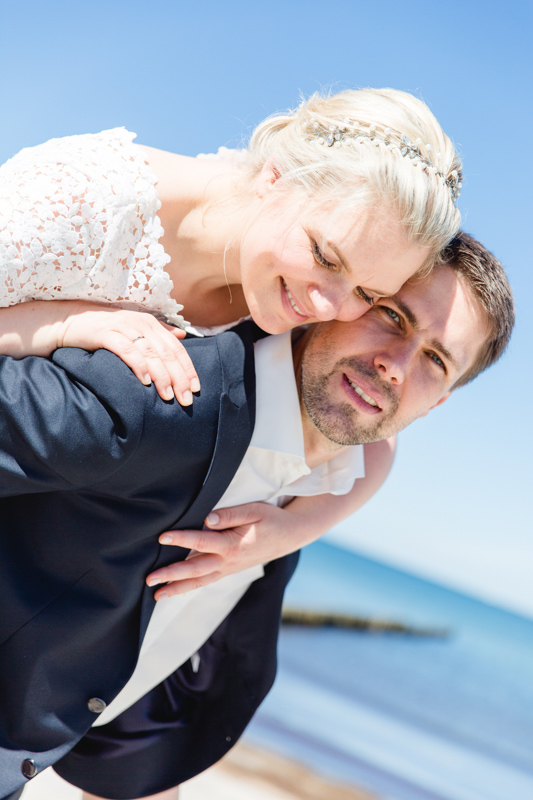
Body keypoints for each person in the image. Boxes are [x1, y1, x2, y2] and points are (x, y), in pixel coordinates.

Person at [0, 233, 514, 800]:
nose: (396, 366)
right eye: (391, 315)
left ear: (439, 400)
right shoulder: (166, 394)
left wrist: (295, 530)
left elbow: (153, 629)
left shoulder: (341, 469)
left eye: (436, 360)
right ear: (345, 295)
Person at [0, 87, 463, 594]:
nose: (328, 308)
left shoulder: (297, 282)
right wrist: (58, 325)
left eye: (367, 293)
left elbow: (381, 438)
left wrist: (294, 530)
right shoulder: (78, 198)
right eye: (326, 258)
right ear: (274, 177)